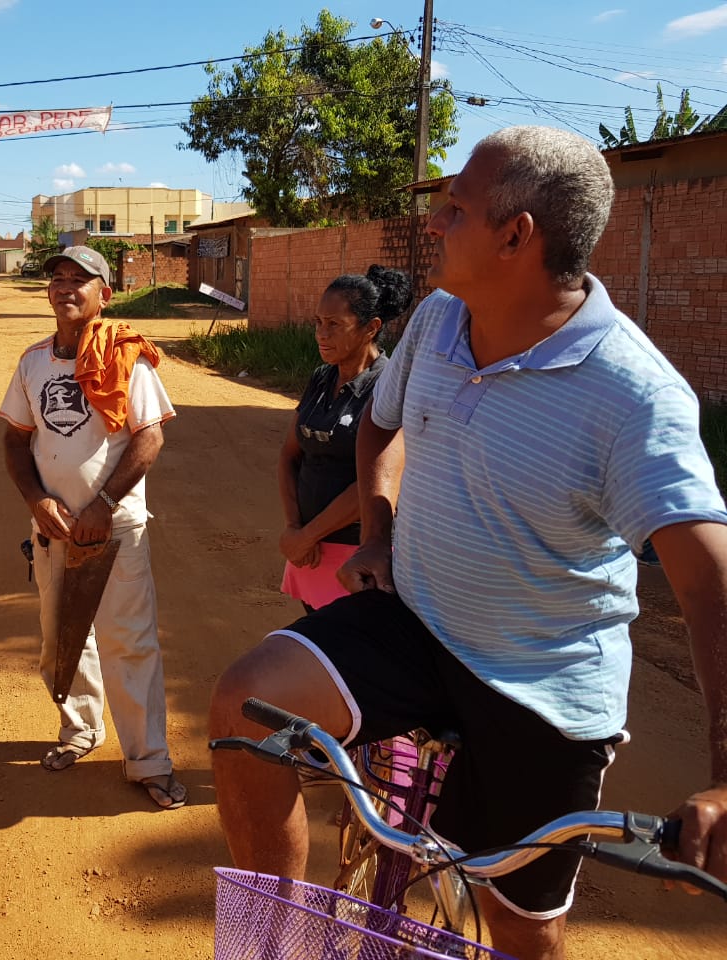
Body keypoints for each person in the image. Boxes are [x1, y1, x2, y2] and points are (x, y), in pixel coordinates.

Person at [209, 126, 727, 960]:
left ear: (517, 236)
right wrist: (375, 531)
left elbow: (710, 588)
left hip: (541, 686)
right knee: (245, 706)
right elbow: (382, 428)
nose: (436, 225)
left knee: (521, 931)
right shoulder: (441, 320)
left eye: (455, 208)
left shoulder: (633, 396)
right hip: (417, 620)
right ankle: (279, 948)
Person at [0, 245, 186, 810]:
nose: (66, 288)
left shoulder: (128, 357)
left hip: (114, 527)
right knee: (62, 637)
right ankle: (79, 730)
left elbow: (149, 437)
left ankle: (148, 759)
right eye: (57, 278)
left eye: (81, 280)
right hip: (54, 529)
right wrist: (36, 500)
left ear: (105, 294)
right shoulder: (33, 363)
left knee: (128, 641)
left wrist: (103, 502)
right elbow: (14, 439)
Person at [278, 266, 410, 611]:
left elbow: (376, 480)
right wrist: (294, 529)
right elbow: (290, 455)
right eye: (318, 322)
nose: (321, 334)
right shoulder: (322, 378)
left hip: (357, 557)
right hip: (310, 553)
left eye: (334, 324)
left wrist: (307, 535)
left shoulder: (388, 388)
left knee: (355, 653)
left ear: (371, 328)